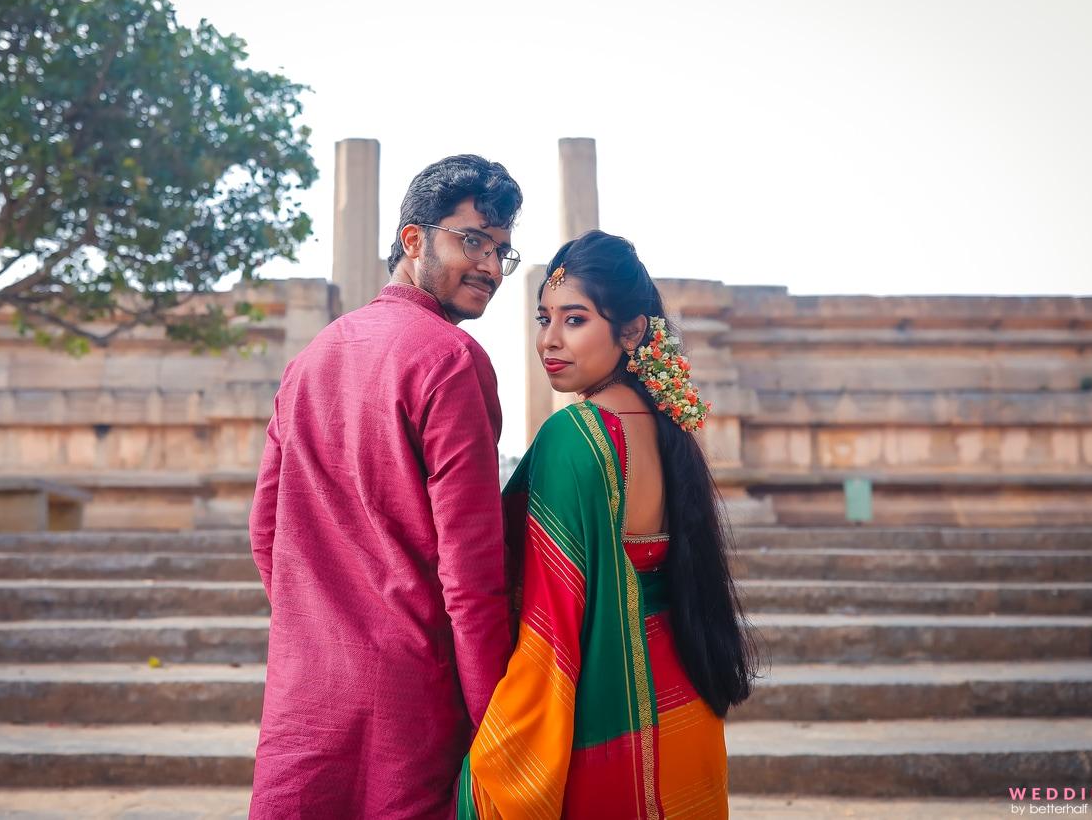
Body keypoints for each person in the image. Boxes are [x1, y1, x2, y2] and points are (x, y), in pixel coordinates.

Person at [248, 154, 524, 819]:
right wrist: (495, 716)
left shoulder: (312, 358)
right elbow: (470, 570)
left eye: (503, 252)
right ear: (412, 240)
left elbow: (265, 531)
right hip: (411, 695)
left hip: (305, 690)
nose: (489, 265)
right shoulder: (451, 360)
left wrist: (318, 623)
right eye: (473, 241)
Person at [457, 230, 759, 819]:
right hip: (682, 706)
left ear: (631, 332)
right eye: (544, 318)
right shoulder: (670, 432)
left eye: (575, 320)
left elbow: (550, 624)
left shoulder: (575, 437)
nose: (548, 339)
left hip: (606, 714)